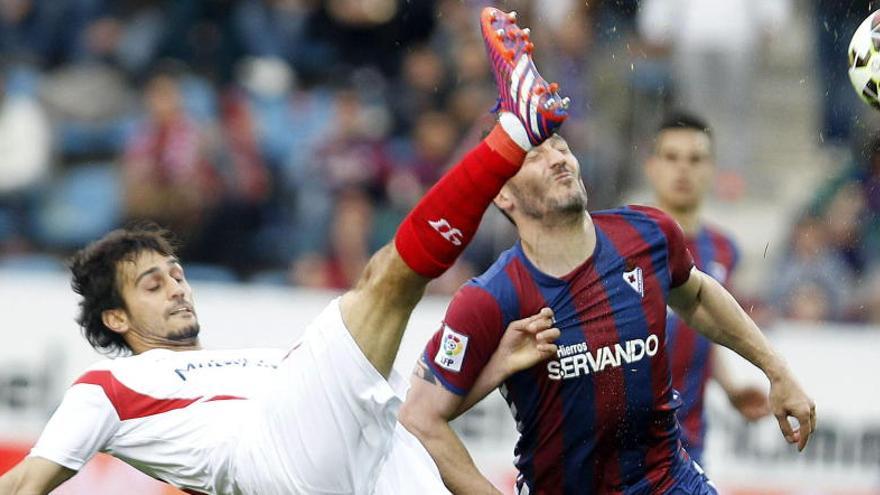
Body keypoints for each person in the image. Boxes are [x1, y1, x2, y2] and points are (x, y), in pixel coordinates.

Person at [0, 7, 571, 494]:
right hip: (272, 461)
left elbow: (405, 413)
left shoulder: (260, 362)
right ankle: (517, 129)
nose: (177, 287)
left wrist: (492, 369)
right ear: (116, 317)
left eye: (175, 274)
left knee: (390, 400)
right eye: (153, 284)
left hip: (362, 465)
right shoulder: (106, 387)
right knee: (378, 286)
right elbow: (25, 482)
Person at [399, 32, 816, 495]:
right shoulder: (491, 298)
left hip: (670, 483)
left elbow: (696, 293)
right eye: (534, 155)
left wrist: (775, 370)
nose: (557, 157)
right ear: (502, 193)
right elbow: (418, 417)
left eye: (559, 144)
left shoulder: (646, 234)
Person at [643, 112, 770, 466]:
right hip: (626, 445)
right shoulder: (624, 241)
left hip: (689, 443)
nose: (683, 170)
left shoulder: (724, 249)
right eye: (671, 158)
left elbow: (703, 326)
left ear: (711, 169)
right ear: (651, 167)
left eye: (695, 159)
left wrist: (729, 388)